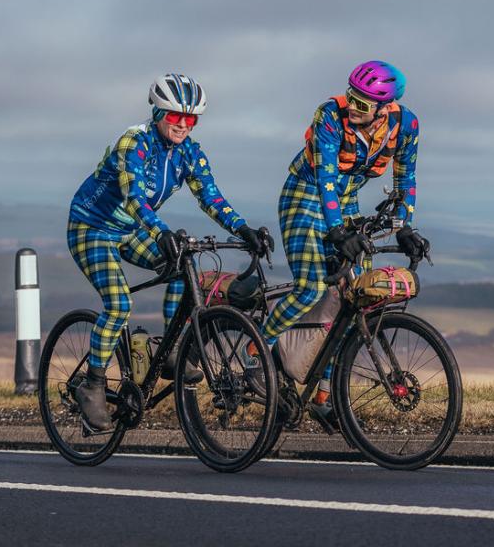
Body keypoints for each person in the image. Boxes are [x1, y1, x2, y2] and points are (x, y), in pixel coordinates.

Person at [68, 73, 271, 431]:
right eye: (175, 117)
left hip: (131, 231)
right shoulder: (135, 142)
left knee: (182, 266)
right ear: (158, 112)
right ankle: (93, 384)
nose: (182, 125)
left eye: (190, 119)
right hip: (92, 228)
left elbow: (211, 197)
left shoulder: (190, 152)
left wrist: (243, 228)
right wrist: (161, 232)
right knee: (119, 304)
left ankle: (171, 348)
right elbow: (135, 199)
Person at [257, 61, 430, 430]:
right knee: (311, 287)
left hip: (346, 202)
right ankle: (256, 354)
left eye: (364, 105)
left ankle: (324, 396)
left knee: (354, 297)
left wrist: (404, 227)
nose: (353, 107)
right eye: (352, 97)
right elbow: (325, 179)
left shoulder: (407, 125)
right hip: (305, 196)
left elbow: (406, 176)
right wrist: (337, 232)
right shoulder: (329, 115)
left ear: (384, 109)